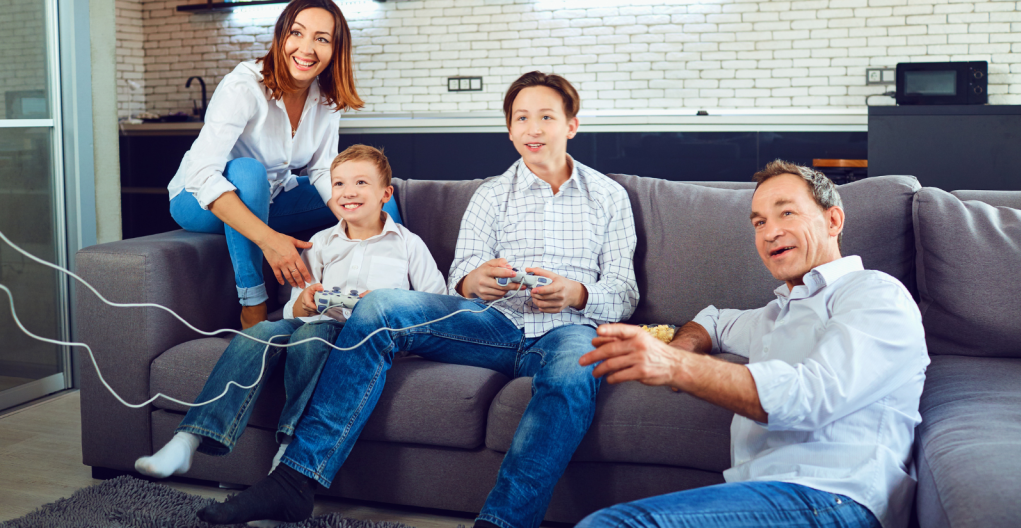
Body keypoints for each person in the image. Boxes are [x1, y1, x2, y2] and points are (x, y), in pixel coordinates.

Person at [194, 71, 641, 526]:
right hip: (491, 325)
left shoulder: (609, 197)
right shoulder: (490, 196)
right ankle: (294, 481)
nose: (533, 128)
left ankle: (503, 521)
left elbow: (624, 290)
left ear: (571, 125)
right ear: (509, 129)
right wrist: (473, 282)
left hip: (569, 329)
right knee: (381, 305)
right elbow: (461, 276)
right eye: (521, 118)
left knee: (576, 369)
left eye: (546, 116)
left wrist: (578, 292)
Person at [578, 160, 929, 528]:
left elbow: (809, 396)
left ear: (833, 221)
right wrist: (682, 347)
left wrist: (673, 365)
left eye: (787, 213)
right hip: (761, 491)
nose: (770, 232)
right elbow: (712, 320)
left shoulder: (874, 293)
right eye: (759, 222)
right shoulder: (775, 314)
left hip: (837, 496)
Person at [135, 145, 446, 479]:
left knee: (314, 333)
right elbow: (293, 309)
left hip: (364, 338)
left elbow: (436, 305)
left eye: (360, 183)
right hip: (313, 322)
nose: (348, 192)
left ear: (385, 194)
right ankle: (188, 440)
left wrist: (382, 303)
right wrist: (307, 300)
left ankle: (288, 452)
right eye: (338, 184)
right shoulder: (322, 242)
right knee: (261, 332)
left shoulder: (408, 244)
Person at [167, 0, 366, 330]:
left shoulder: (326, 98)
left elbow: (321, 168)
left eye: (321, 39)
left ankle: (391, 294)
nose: (306, 48)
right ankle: (253, 303)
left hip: (271, 198)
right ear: (281, 36)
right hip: (196, 199)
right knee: (248, 171)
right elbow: (201, 174)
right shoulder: (243, 86)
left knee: (368, 192)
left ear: (335, 51)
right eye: (297, 33)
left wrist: (356, 214)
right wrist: (270, 240)